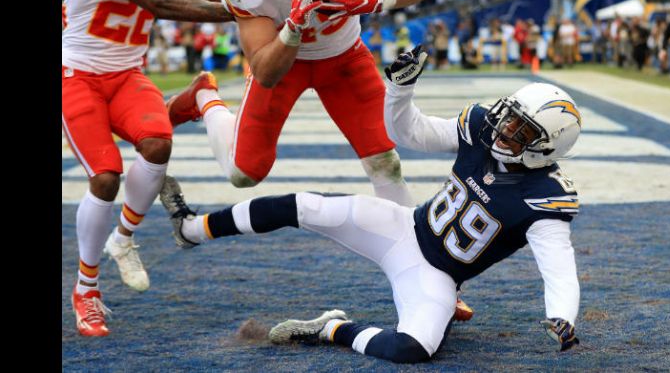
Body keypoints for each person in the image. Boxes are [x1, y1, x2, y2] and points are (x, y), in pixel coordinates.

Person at [159, 45, 582, 364]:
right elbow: (408, 133)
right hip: (402, 227)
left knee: (413, 348)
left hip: (436, 274)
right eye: (509, 117)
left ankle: (330, 329)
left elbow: (558, 267)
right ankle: (192, 227)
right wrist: (401, 90)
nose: (504, 129)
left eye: (520, 130)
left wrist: (563, 316)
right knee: (306, 206)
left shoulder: (542, 198)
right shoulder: (480, 130)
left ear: (546, 148)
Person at [165, 0, 473, 319]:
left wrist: (380, 0)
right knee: (243, 173)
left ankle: (428, 276)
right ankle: (206, 98)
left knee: (386, 163)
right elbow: (266, 71)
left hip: (345, 58)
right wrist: (292, 25)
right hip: (284, 64)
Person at [62, 0, 233, 337]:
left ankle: (123, 239)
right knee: (105, 175)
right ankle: (86, 289)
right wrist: (240, 13)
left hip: (127, 73)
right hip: (77, 75)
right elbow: (155, 0)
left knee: (157, 145)